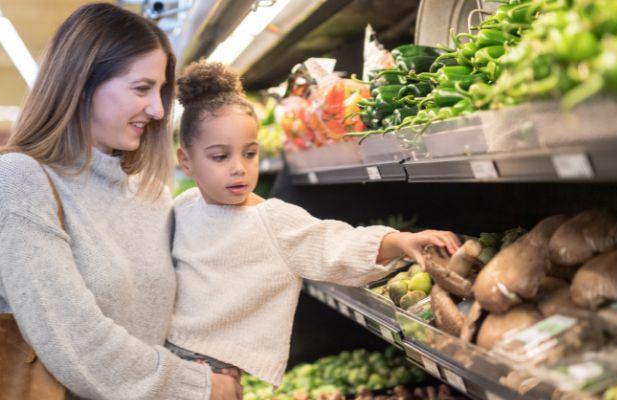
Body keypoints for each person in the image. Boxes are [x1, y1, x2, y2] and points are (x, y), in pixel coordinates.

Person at [0, 4, 241, 400]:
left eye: (160, 91)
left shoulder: (150, 193)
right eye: (142, 89)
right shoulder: (20, 179)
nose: (157, 110)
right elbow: (75, 340)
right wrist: (196, 387)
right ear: (82, 83)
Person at [168, 60, 461, 387]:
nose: (239, 168)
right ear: (186, 161)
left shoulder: (271, 220)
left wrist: (400, 242)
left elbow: (332, 244)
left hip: (217, 374)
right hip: (169, 361)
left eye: (249, 154)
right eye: (220, 157)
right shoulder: (182, 207)